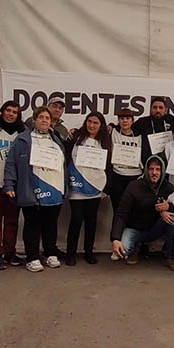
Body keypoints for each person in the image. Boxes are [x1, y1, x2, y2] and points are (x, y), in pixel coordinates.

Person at [4, 106, 66, 273]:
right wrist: (9, 184)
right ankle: (32, 257)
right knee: (32, 224)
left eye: (48, 118)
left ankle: (50, 252)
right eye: (42, 117)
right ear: (34, 120)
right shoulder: (23, 139)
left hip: (54, 188)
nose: (45, 120)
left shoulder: (56, 139)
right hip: (32, 188)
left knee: (51, 224)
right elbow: (11, 162)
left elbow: (63, 164)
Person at [110, 155, 174, 271]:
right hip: (134, 229)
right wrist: (115, 238)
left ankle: (170, 256)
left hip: (155, 229)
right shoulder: (134, 186)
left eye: (158, 169)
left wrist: (169, 207)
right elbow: (121, 213)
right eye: (151, 169)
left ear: (162, 171)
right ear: (146, 170)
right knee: (123, 250)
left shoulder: (168, 187)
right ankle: (133, 249)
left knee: (173, 220)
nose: (154, 173)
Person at [64, 112, 111, 266]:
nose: (91, 125)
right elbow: (65, 156)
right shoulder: (76, 137)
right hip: (76, 185)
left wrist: (106, 187)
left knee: (91, 221)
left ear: (101, 125)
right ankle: (70, 254)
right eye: (89, 121)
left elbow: (108, 165)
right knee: (76, 219)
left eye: (95, 123)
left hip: (95, 186)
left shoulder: (105, 141)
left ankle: (88, 252)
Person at [0, 100, 25, 270]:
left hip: (14, 185)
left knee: (12, 220)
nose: (10, 114)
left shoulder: (22, 134)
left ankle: (10, 251)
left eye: (14, 112)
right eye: (8, 110)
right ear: (1, 112)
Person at [108, 108, 142, 216]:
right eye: (122, 118)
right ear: (118, 121)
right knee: (118, 210)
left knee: (133, 209)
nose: (125, 121)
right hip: (118, 176)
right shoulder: (113, 132)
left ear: (132, 121)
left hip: (135, 176)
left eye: (128, 118)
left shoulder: (140, 136)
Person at [133, 97, 174, 163]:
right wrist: (112, 126)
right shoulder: (142, 122)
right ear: (151, 109)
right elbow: (127, 129)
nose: (158, 110)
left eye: (160, 108)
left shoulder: (172, 121)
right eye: (155, 107)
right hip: (148, 163)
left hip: (168, 162)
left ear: (165, 110)